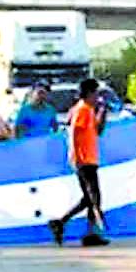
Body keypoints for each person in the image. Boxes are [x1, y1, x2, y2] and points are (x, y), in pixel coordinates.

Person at [48, 78, 109, 247]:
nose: (98, 97)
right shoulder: (82, 109)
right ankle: (88, 231)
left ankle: (63, 224)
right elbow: (74, 132)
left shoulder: (89, 110)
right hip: (84, 159)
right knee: (93, 197)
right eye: (96, 93)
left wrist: (102, 112)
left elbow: (98, 131)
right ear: (89, 93)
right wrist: (77, 156)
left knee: (89, 199)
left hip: (90, 157)